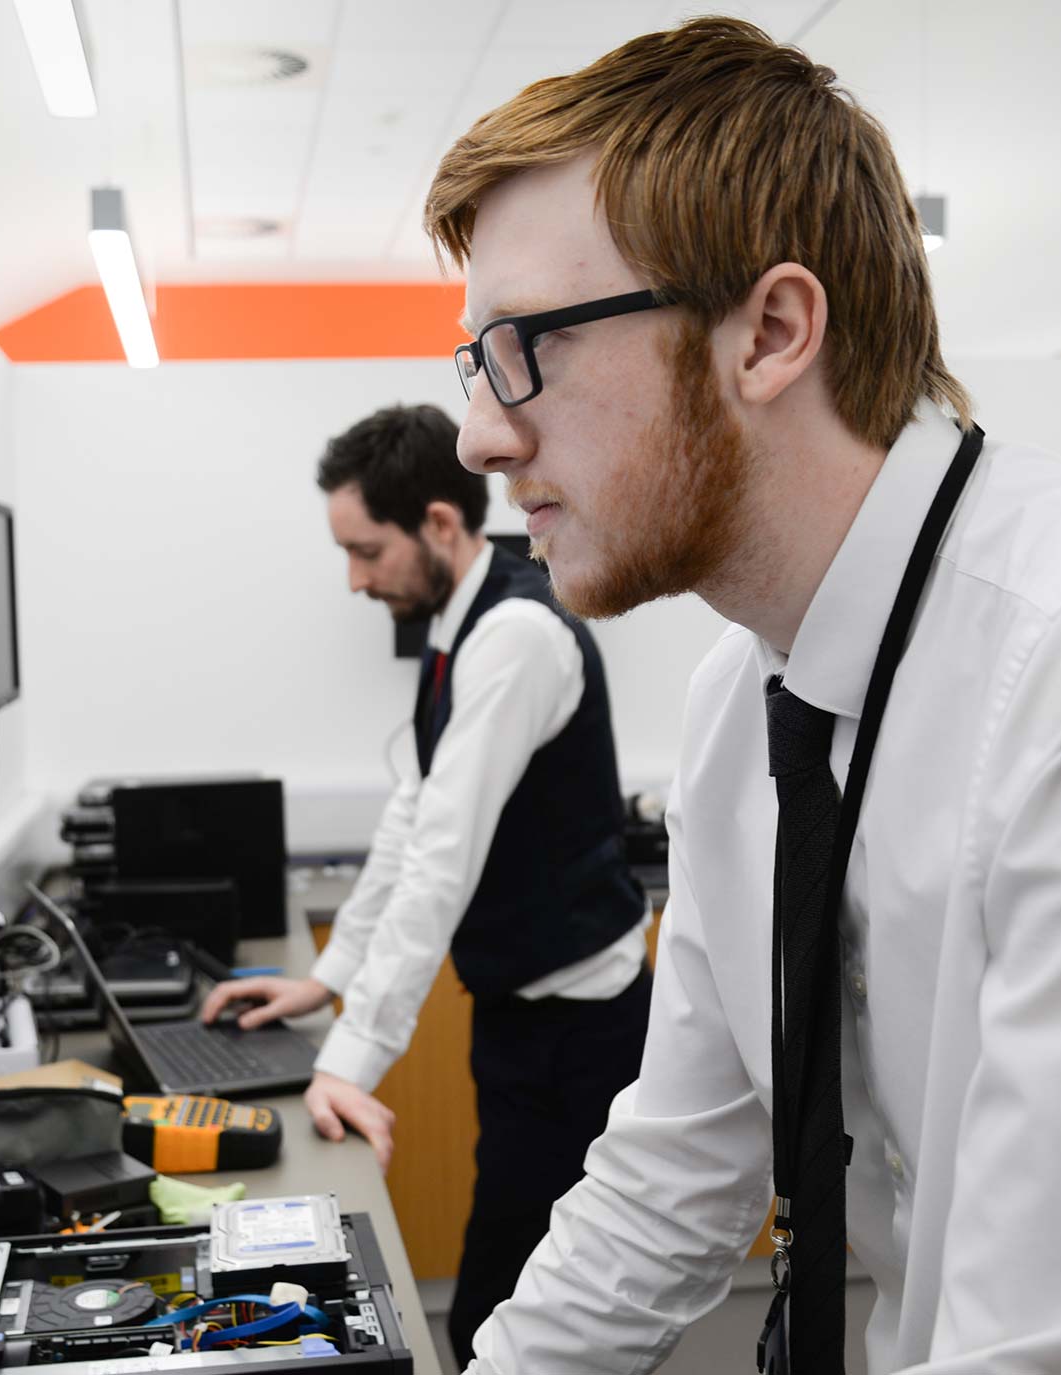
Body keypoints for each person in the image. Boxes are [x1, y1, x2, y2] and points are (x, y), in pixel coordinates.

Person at [426, 14, 1061, 1374]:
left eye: (524, 345)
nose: (483, 431)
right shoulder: (752, 698)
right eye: (472, 363)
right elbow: (668, 1181)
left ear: (772, 331)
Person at [199, 402, 652, 1366]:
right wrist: (329, 978)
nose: (357, 579)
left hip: (581, 1034)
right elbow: (412, 814)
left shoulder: (518, 635)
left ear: (440, 524)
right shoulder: (453, 627)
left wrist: (349, 1061)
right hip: (518, 1016)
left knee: (522, 1314)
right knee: (497, 1306)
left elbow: (443, 861)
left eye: (366, 551)